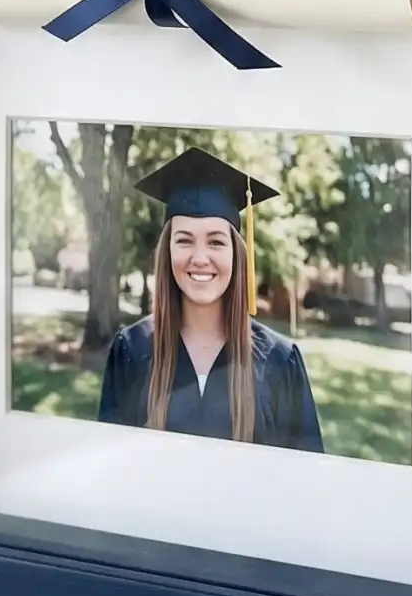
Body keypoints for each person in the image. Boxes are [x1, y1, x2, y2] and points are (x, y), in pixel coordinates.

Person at [98, 146, 323, 451]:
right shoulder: (131, 350)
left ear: (237, 253)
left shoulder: (280, 363)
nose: (200, 257)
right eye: (184, 240)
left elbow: (306, 482)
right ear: (167, 251)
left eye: (216, 241)